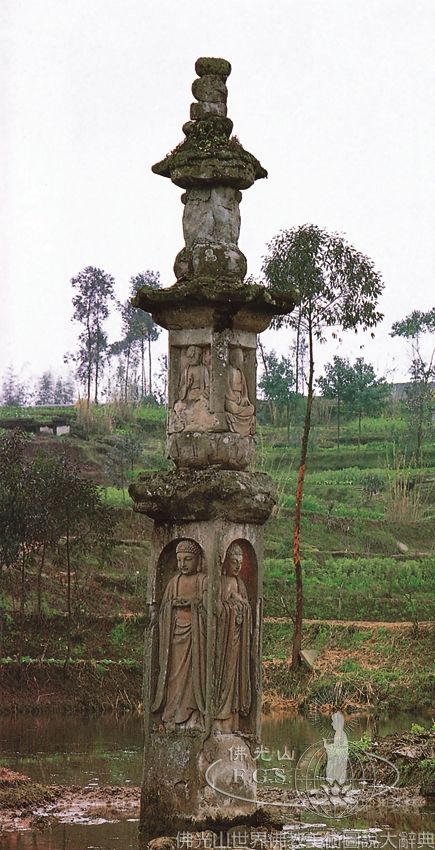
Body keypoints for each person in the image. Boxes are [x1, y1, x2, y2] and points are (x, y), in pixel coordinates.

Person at [152, 539, 207, 730]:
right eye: (180, 560)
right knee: (173, 675)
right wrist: (172, 606)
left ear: (198, 560)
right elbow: (164, 608)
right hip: (174, 634)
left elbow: (210, 607)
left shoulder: (202, 580)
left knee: (194, 674)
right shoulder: (173, 582)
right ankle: (172, 714)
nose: (183, 564)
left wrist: (193, 605)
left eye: (188, 559)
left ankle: (193, 713)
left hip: (195, 636)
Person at [215, 542, 252, 731]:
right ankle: (219, 714)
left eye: (240, 562)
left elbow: (247, 607)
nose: (237, 566)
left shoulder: (240, 584)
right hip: (224, 639)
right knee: (223, 674)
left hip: (238, 638)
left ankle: (234, 718)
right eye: (233, 562)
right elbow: (217, 611)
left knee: (235, 675)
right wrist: (230, 605)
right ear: (225, 563)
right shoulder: (221, 583)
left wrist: (241, 606)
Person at [225, 347, 255, 437]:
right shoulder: (228, 371)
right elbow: (226, 388)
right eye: (239, 358)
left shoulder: (241, 373)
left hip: (240, 400)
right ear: (234, 358)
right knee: (232, 408)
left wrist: (244, 399)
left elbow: (244, 390)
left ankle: (241, 412)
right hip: (231, 400)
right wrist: (233, 398)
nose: (241, 361)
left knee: (251, 408)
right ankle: (238, 412)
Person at [323, 711, 349, 785]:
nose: (331, 724)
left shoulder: (339, 733)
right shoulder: (340, 733)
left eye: (333, 722)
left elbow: (337, 750)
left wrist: (326, 746)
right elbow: (336, 746)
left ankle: (332, 782)